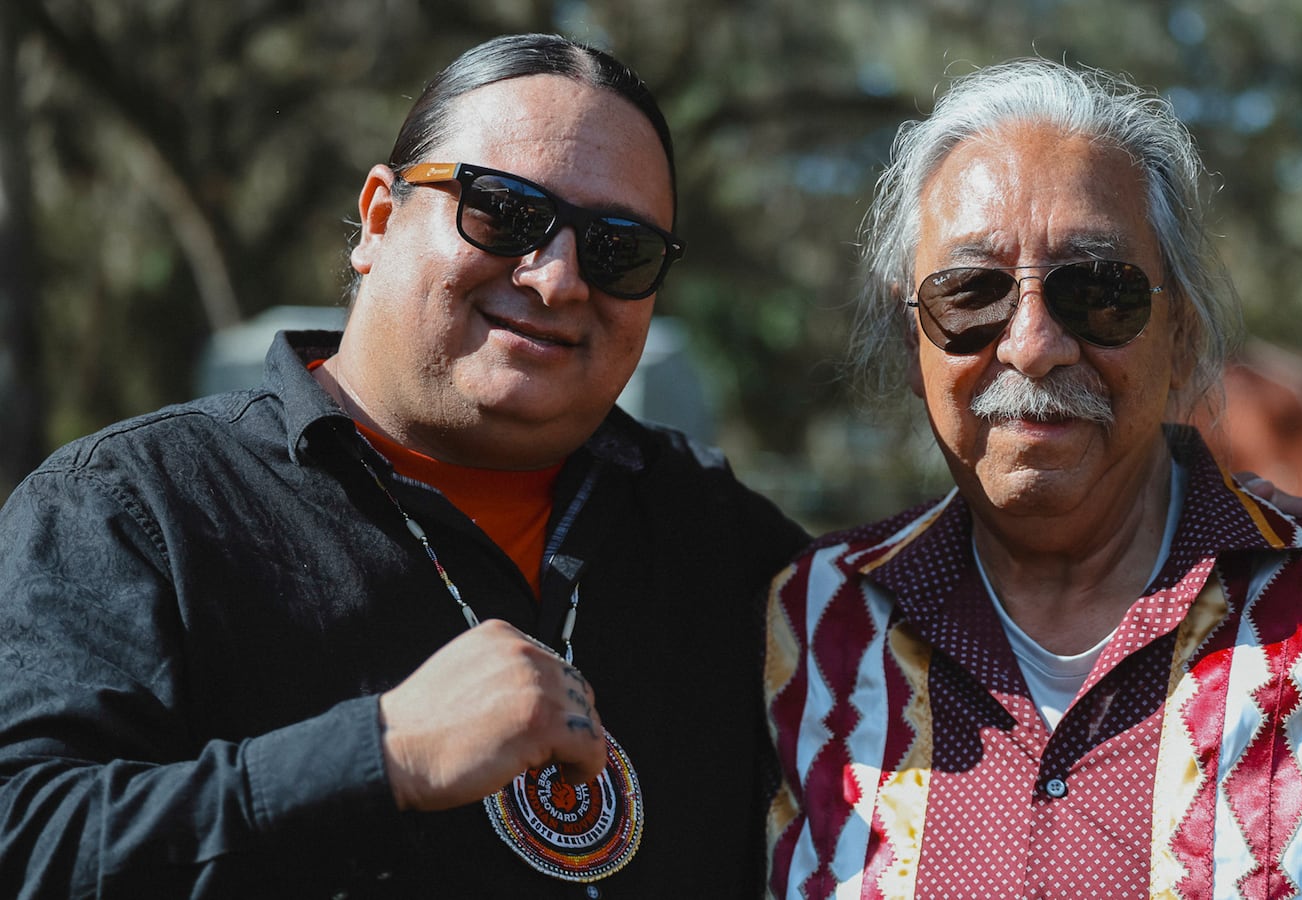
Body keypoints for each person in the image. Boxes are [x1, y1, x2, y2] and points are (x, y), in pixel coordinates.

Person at [0, 34, 811, 898]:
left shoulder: (725, 542)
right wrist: (381, 758)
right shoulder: (134, 507)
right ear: (379, 220)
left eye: (621, 249)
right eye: (504, 211)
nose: (559, 279)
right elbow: (27, 841)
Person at [765, 59, 1302, 897]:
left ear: (1184, 338)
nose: (1032, 345)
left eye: (1098, 291)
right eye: (971, 292)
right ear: (913, 344)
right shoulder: (810, 622)